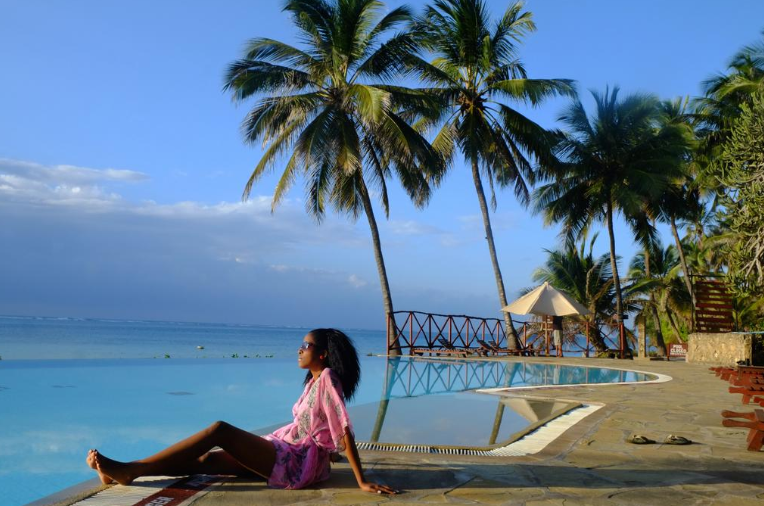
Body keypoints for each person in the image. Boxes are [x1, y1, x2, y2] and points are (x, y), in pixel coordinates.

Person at [86, 328, 398, 495]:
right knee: (208, 460)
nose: (299, 349)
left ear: (323, 354)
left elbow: (342, 428)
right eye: (300, 343)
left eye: (305, 344)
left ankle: (128, 469)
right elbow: (321, 428)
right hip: (285, 450)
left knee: (219, 430)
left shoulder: (328, 377)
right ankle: (127, 472)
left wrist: (360, 480)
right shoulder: (312, 383)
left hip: (295, 461)